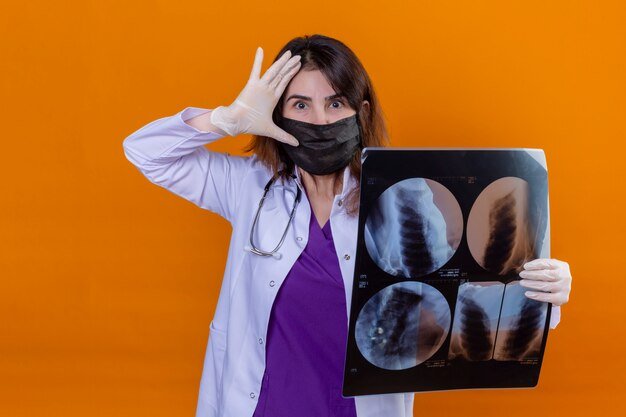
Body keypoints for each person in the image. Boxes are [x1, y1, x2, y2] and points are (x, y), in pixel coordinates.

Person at [122, 34, 573, 417]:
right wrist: (227, 118)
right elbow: (144, 152)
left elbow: (464, 289)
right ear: (276, 116)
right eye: (301, 104)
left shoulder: (404, 200)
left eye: (334, 103)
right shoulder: (248, 187)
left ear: (360, 110)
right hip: (260, 405)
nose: (319, 120)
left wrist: (544, 294)